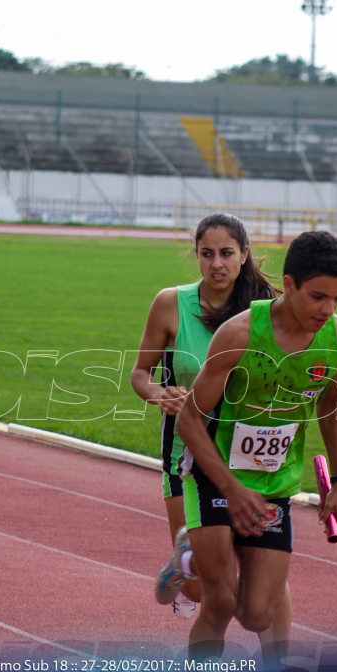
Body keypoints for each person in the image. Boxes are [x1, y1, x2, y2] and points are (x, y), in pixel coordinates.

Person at [154, 230, 337, 666]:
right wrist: (230, 488)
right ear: (288, 285)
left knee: (256, 613)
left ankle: (200, 551)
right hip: (213, 473)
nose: (328, 309)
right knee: (220, 603)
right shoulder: (240, 333)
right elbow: (190, 420)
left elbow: (329, 406)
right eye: (318, 296)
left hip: (272, 482)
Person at [131, 213, 278, 619]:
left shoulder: (266, 309)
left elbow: (305, 359)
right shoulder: (170, 304)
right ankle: (183, 567)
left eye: (227, 253)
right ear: (195, 256)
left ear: (244, 255)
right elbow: (139, 374)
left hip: (247, 455)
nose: (217, 264)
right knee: (203, 587)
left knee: (244, 585)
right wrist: (160, 394)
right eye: (207, 254)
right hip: (185, 456)